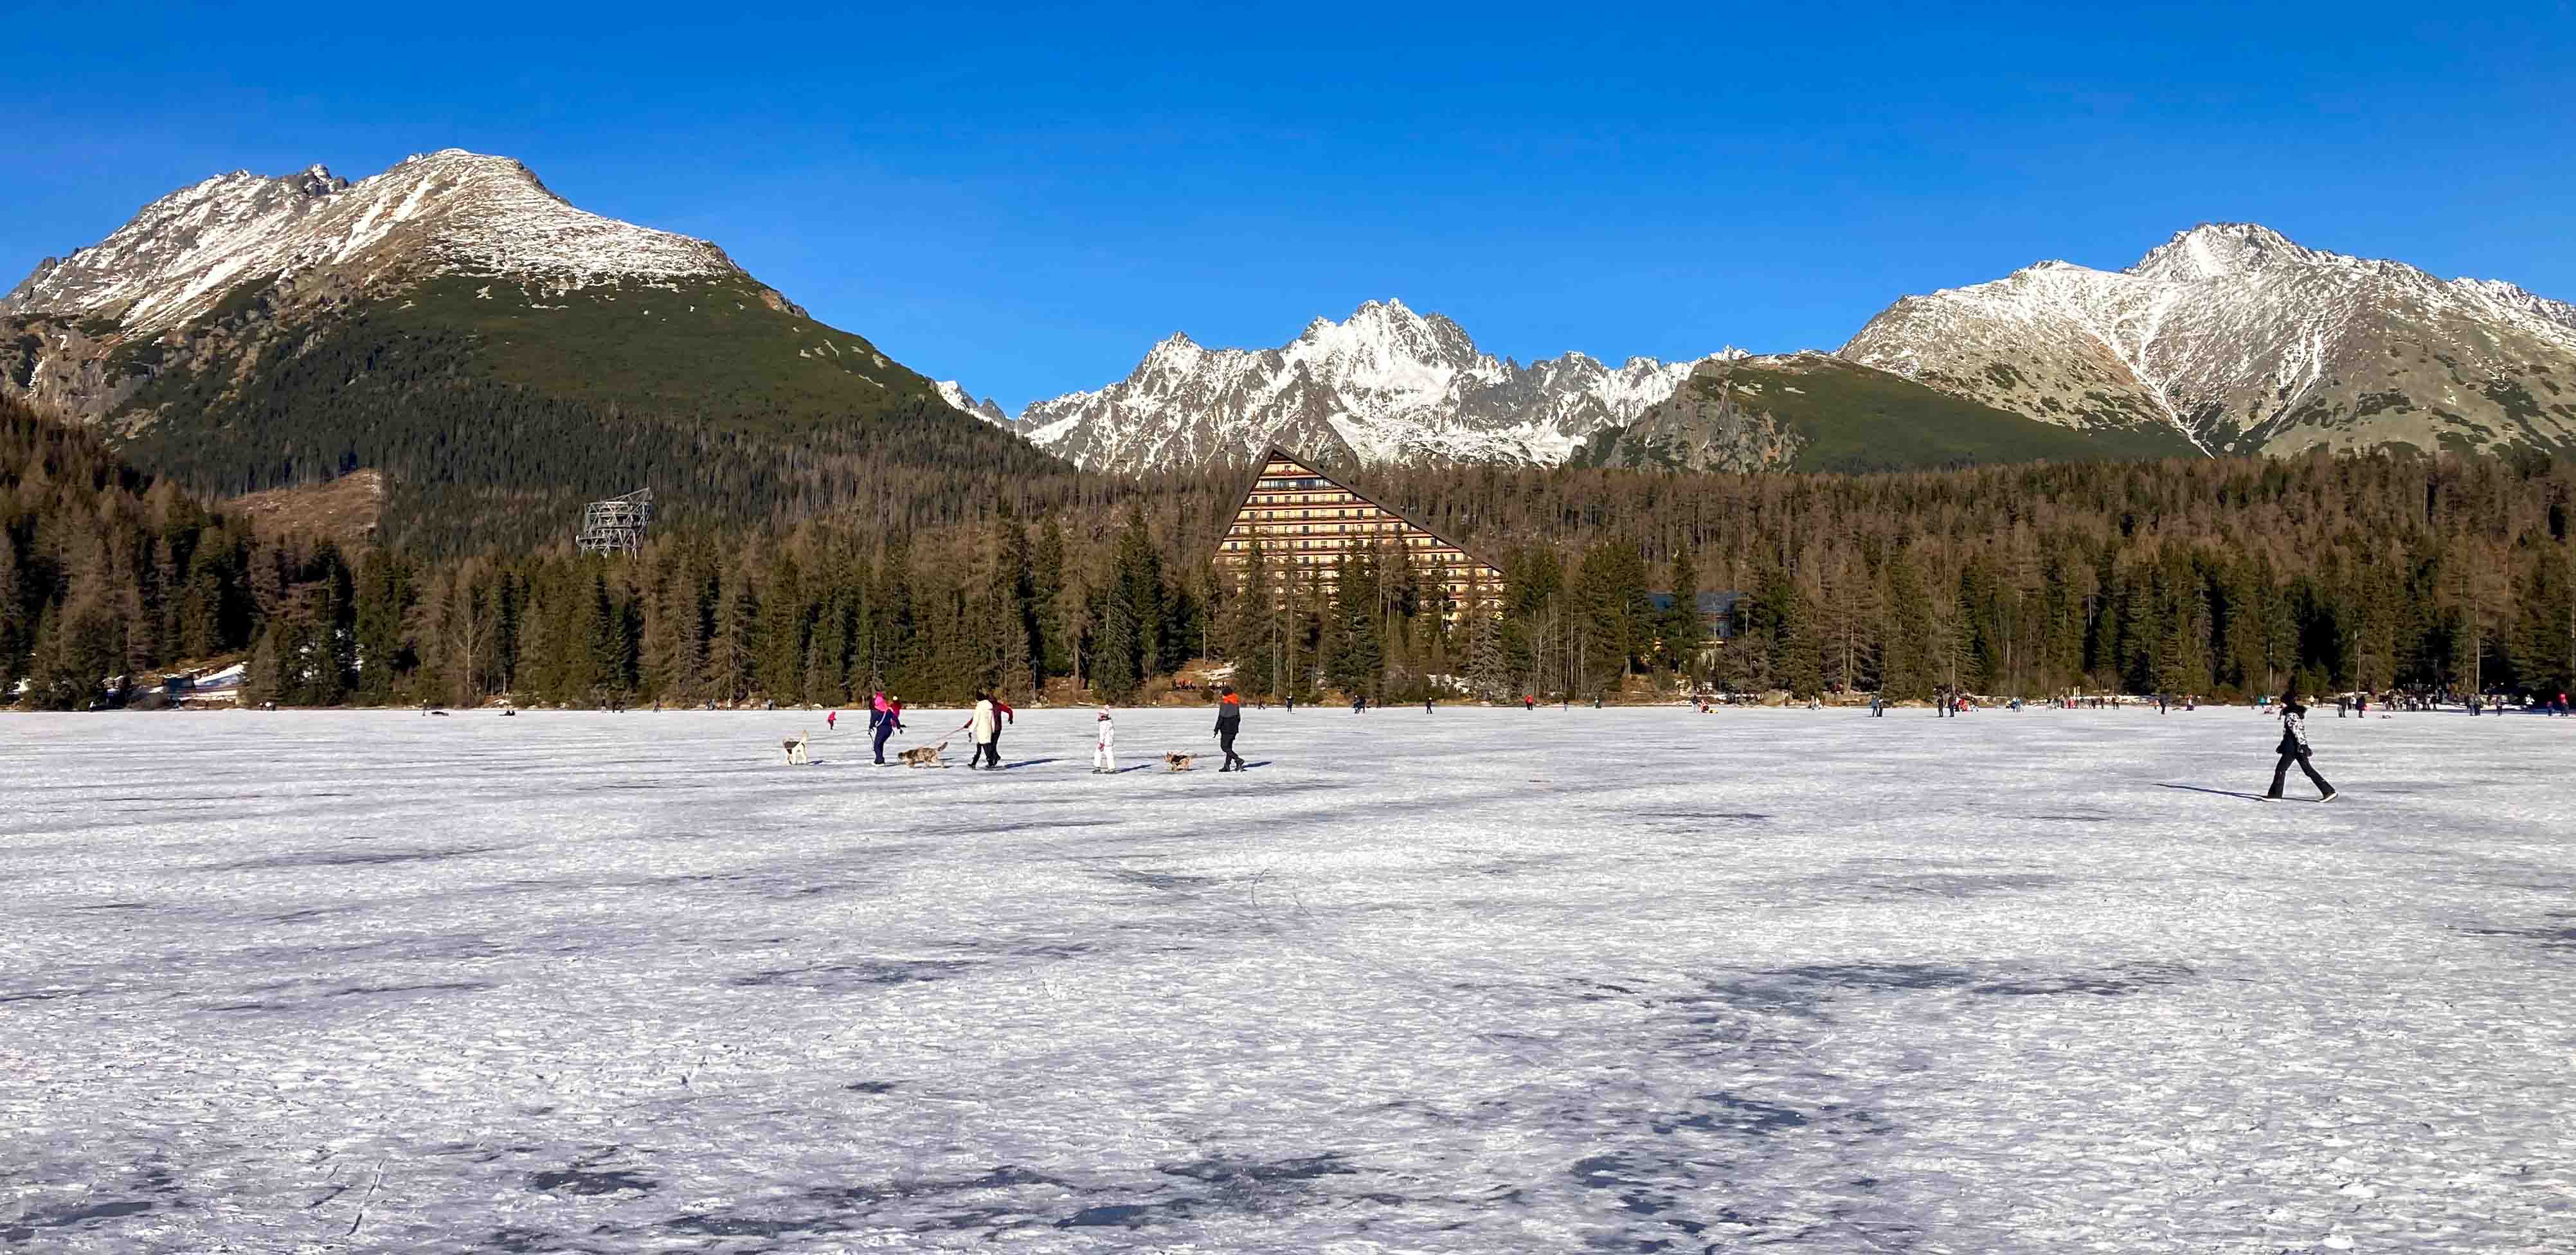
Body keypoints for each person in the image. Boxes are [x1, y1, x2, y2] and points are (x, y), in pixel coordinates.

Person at [2265, 693, 2338, 802]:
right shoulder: (2293, 714)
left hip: (2293, 748)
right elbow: (2290, 733)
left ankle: (2275, 795)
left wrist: (2302, 746)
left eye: (2282, 702)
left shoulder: (2291, 715)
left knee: (2281, 769)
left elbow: (2298, 732)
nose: (2281, 704)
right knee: (2307, 770)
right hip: (2293, 747)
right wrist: (2283, 745)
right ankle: (2328, 791)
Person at [1216, 686, 1247, 771]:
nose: (1221, 696)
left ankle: (1238, 760)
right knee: (1229, 747)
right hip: (1234, 730)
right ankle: (1227, 765)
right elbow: (1239, 718)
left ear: (1225, 695)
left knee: (1224, 747)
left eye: (1222, 694)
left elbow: (1221, 718)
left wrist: (1216, 729)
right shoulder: (1236, 703)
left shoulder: (1224, 704)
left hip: (1226, 729)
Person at [968, 693, 1002, 769]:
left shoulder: (979, 707)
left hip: (982, 731)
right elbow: (992, 720)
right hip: (988, 730)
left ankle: (992, 761)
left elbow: (975, 720)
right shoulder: (990, 706)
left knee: (986, 748)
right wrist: (992, 730)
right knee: (979, 746)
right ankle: (974, 763)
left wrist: (970, 731)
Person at [871, 694, 903, 765]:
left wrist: (871, 727)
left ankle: (880, 761)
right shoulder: (888, 710)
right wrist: (898, 727)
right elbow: (895, 719)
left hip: (882, 730)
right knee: (880, 744)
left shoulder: (877, 711)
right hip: (889, 730)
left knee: (876, 745)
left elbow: (873, 721)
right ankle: (878, 760)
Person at [1092, 707, 1117, 773]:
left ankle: (1099, 768)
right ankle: (1110, 768)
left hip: (1105, 742)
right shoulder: (1109, 722)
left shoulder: (1104, 723)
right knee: (1105, 754)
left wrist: (1101, 743)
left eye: (1100, 714)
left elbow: (1102, 734)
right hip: (1108, 742)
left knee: (1101, 754)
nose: (1099, 716)